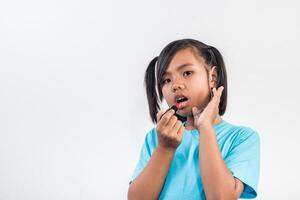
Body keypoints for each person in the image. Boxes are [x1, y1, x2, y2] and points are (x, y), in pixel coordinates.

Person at [127, 39, 260, 200]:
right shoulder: (156, 138)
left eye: (187, 73)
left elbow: (221, 197)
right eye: (166, 80)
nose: (175, 85)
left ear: (213, 77)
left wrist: (205, 127)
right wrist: (165, 148)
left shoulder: (242, 138)